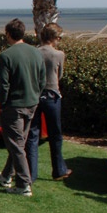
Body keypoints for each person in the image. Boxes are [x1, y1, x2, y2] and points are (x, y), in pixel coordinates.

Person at [0, 18, 46, 197]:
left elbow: (3, 84)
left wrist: (2, 105)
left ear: (9, 34)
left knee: (16, 145)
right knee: (19, 142)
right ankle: (6, 175)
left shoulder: (7, 56)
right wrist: (35, 96)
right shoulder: (36, 53)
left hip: (14, 106)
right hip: (31, 104)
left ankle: (24, 183)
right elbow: (42, 80)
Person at [25, 23, 72, 182]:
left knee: (33, 134)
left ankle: (31, 173)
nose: (59, 40)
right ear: (53, 37)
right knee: (55, 134)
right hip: (52, 95)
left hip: (35, 95)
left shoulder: (34, 52)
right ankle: (58, 169)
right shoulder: (58, 54)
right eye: (59, 37)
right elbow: (59, 76)